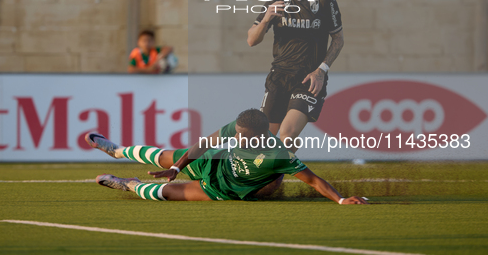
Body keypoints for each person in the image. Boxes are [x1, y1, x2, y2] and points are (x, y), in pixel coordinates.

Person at [86, 108, 368, 204]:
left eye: (244, 137)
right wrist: (179, 166)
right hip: (214, 160)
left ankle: (129, 184)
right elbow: (205, 144)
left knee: (166, 194)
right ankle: (117, 150)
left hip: (226, 187)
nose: (238, 137)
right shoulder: (239, 126)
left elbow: (313, 180)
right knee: (165, 157)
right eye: (238, 133)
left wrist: (341, 199)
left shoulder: (277, 154)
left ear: (260, 135)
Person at [247, 0, 344, 153]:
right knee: (263, 142)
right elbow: (251, 40)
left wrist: (322, 70)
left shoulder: (325, 0)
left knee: (287, 134)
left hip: (309, 79)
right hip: (279, 76)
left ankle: (280, 172)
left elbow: (338, 39)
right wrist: (265, 20)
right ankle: (275, 172)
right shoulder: (276, 0)